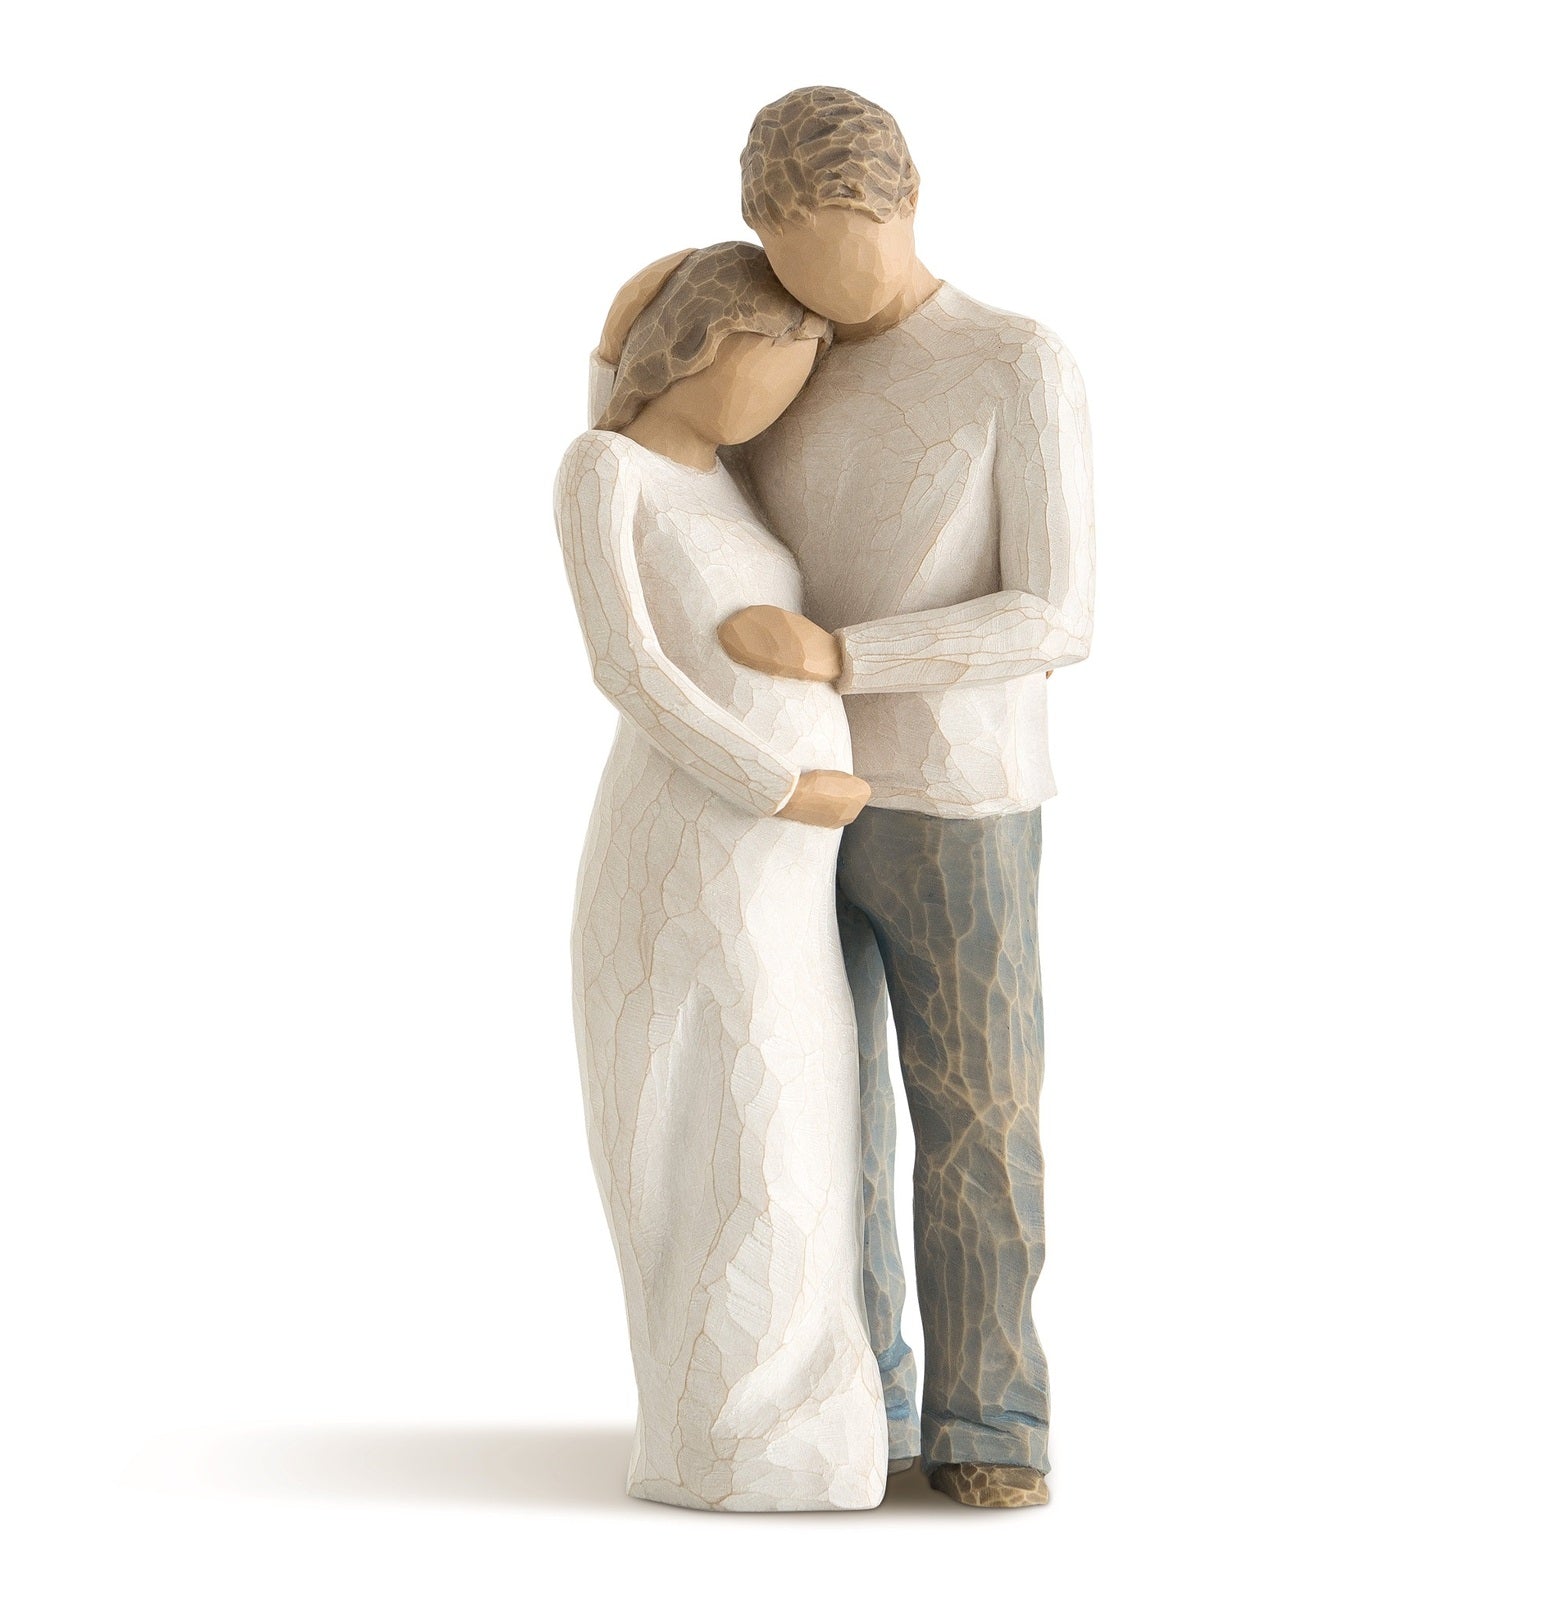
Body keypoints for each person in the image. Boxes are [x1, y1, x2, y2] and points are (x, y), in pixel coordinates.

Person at [588, 86, 1095, 1509]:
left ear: (908, 200)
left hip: (959, 797)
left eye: (845, 246)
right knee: (821, 1115)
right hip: (781, 819)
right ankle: (862, 1393)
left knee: (977, 1109)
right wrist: (616, 350)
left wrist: (845, 656)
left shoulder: (1015, 360)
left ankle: (992, 1420)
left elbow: (1057, 612)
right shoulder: (789, 354)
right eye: (790, 254)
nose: (821, 289)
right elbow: (664, 485)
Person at [554, 241, 887, 1512]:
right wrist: (778, 784)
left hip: (783, 875)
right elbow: (628, 666)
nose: (792, 391)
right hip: (695, 845)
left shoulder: (730, 481)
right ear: (701, 346)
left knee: (801, 1117)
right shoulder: (604, 470)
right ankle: (718, 1434)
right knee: (725, 1121)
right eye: (779, 360)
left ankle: (812, 1414)